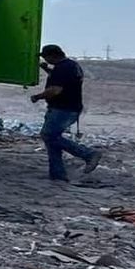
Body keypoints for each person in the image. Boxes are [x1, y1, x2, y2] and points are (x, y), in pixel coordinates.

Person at [30, 45, 103, 181]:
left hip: (63, 109)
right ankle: (57, 175)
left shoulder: (62, 68)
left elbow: (55, 90)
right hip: (70, 107)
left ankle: (89, 154)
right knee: (52, 141)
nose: (44, 59)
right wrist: (47, 69)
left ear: (52, 56)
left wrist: (38, 96)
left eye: (45, 57)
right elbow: (65, 80)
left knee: (49, 135)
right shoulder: (71, 65)